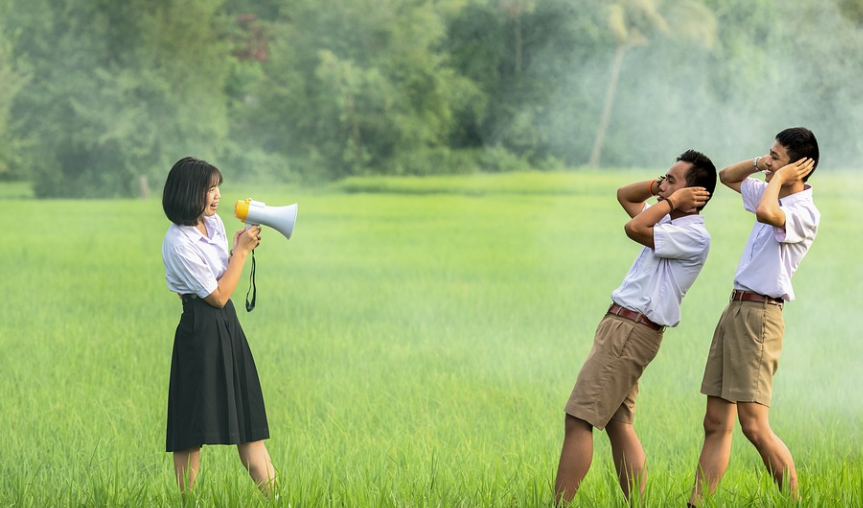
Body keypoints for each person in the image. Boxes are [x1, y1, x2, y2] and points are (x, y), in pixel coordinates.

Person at [554, 150, 717, 504]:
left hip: (631, 330)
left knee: (578, 418)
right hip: (623, 326)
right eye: (664, 178)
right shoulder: (668, 222)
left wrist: (670, 200)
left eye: (672, 180)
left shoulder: (692, 235)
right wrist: (660, 187)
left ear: (694, 194)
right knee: (618, 424)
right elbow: (624, 195)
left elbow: (633, 227)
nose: (662, 186)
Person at [688, 127, 820, 506]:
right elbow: (727, 177)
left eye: (776, 156)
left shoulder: (804, 211)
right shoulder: (770, 188)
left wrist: (778, 177)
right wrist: (765, 165)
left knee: (754, 425)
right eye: (769, 155)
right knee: (715, 422)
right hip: (736, 309)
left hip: (761, 316)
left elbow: (766, 213)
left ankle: (794, 502)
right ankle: (696, 503)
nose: (767, 162)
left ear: (798, 168)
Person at [161, 156, 276, 497]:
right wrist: (240, 253)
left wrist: (238, 247)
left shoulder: (214, 226)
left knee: (249, 423)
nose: (217, 196)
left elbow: (225, 277)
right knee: (190, 428)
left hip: (228, 328)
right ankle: (187, 501)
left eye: (217, 188)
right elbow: (219, 295)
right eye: (209, 189)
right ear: (188, 193)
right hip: (200, 330)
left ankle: (280, 501)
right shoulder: (178, 243)